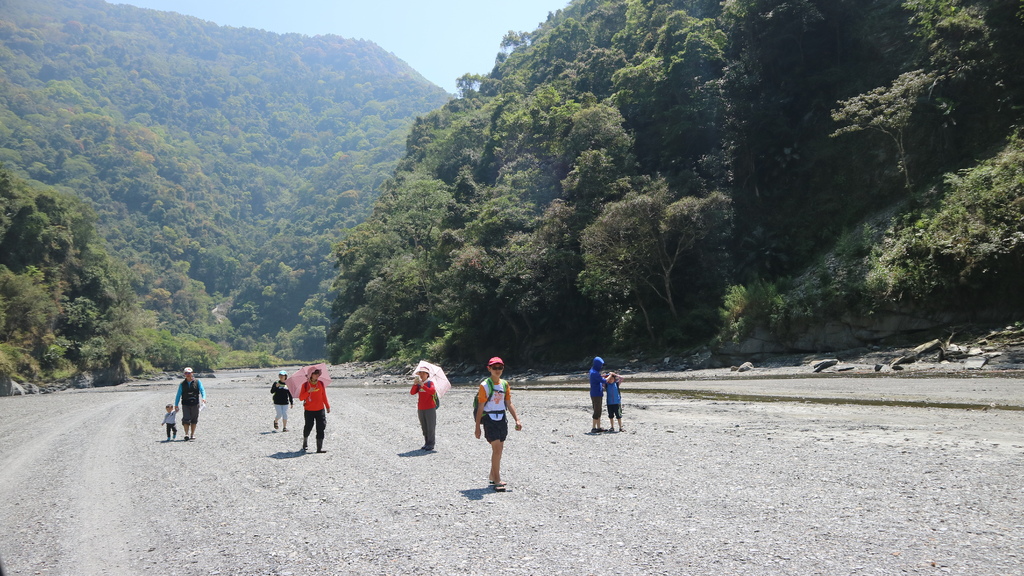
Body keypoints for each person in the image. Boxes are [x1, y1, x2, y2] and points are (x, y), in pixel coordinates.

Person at [474, 357, 522, 492]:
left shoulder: (505, 384)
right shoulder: (484, 385)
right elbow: (480, 407)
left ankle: (492, 475)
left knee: (499, 449)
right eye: (494, 368)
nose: (497, 370)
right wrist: (477, 427)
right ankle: (497, 479)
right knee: (497, 450)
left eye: (500, 367)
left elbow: (508, 402)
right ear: (489, 368)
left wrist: (517, 419)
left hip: (502, 418)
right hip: (489, 419)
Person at [299, 367, 330, 453]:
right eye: (315, 374)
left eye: (318, 374)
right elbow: (301, 398)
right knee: (308, 426)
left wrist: (327, 406)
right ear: (310, 375)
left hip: (320, 409)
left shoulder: (321, 383)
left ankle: (319, 449)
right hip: (309, 410)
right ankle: (305, 441)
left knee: (321, 427)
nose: (317, 375)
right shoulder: (305, 385)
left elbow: (324, 395)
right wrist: (308, 391)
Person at [174, 367, 206, 441]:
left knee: (194, 419)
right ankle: (186, 434)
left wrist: (203, 398)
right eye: (186, 373)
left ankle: (192, 434)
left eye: (189, 373)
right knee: (186, 419)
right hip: (185, 404)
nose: (187, 375)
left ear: (192, 373)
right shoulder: (182, 384)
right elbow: (178, 394)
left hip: (195, 403)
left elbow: (202, 390)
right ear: (184, 374)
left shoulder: (197, 382)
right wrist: (176, 404)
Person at [410, 367, 437, 451]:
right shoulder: (418, 384)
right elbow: (412, 393)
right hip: (421, 408)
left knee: (430, 426)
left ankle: (431, 444)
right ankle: (426, 443)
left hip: (430, 408)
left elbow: (432, 391)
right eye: (420, 373)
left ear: (427, 374)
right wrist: (415, 384)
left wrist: (423, 386)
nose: (421, 375)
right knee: (424, 426)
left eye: (423, 373)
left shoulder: (430, 383)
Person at [589, 357, 616, 433]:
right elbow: (605, 381)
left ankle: (598, 427)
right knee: (596, 410)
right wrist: (611, 375)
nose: (601, 367)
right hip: (596, 394)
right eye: (601, 365)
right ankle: (594, 428)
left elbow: (599, 378)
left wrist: (605, 375)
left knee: (599, 410)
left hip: (597, 393)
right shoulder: (594, 373)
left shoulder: (593, 371)